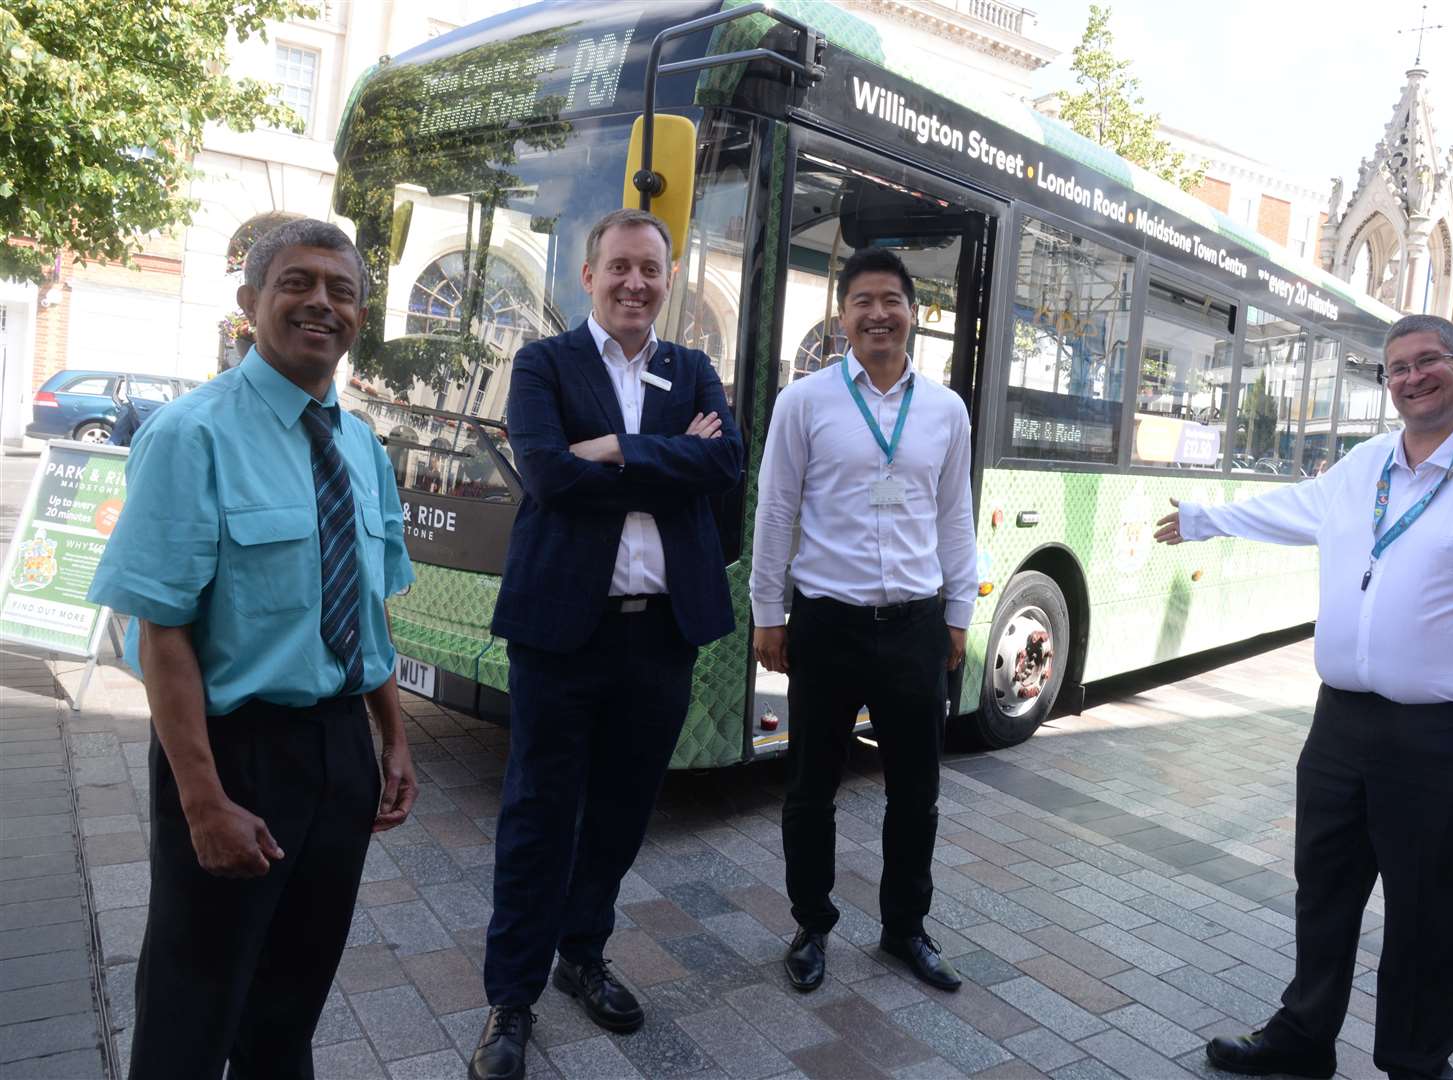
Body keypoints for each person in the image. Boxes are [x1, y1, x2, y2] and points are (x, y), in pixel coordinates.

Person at [1154, 313, 1453, 1080]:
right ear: (1385, 382)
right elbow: (1293, 509)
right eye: (1396, 368)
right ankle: (1302, 1036)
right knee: (1322, 885)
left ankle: (1415, 1062)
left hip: (1447, 733)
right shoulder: (1364, 465)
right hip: (1342, 722)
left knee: (1427, 906)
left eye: (1428, 362)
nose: (1412, 377)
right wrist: (1202, 520)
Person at [88, 219, 418, 1080]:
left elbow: (368, 611)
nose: (320, 303)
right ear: (250, 304)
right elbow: (162, 634)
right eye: (296, 283)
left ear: (358, 316)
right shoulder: (190, 435)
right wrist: (202, 802)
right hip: (235, 757)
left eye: (340, 290)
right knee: (193, 1007)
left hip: (341, 750)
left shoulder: (360, 445)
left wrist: (393, 739)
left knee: (292, 1001)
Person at [469, 208, 742, 1080]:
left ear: (667, 282)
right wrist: (667, 460)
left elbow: (726, 463)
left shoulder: (690, 368)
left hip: (660, 635)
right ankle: (510, 1000)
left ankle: (581, 954)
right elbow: (547, 474)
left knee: (623, 811)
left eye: (650, 270)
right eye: (618, 266)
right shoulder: (543, 362)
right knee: (538, 816)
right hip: (560, 637)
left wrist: (617, 450)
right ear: (587, 277)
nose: (634, 282)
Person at [750, 248, 976, 995]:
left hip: (914, 627)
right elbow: (776, 509)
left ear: (914, 312)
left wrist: (957, 613)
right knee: (810, 788)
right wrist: (767, 612)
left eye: (891, 300)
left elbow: (954, 516)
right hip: (826, 623)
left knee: (916, 790)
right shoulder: (805, 402)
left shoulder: (944, 410)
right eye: (862, 302)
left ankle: (904, 927)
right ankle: (810, 925)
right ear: (842, 317)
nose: (877, 314)